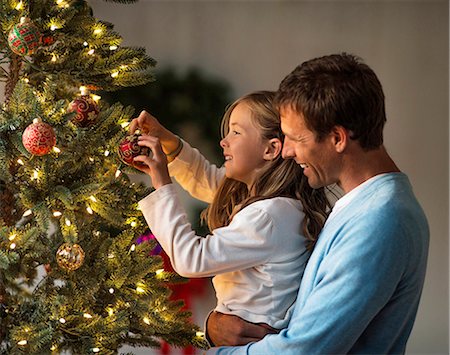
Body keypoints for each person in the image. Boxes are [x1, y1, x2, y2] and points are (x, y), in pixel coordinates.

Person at [205, 53, 430, 354]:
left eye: (295, 139)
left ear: (337, 138)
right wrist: (214, 328)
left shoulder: (380, 221)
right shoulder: (363, 205)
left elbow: (304, 349)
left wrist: (217, 352)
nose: (285, 152)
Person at [129, 91, 330, 338]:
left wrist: (161, 182)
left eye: (236, 132)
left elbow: (191, 259)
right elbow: (207, 179)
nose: (224, 141)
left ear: (271, 149)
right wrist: (169, 142)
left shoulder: (269, 216)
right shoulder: (271, 203)